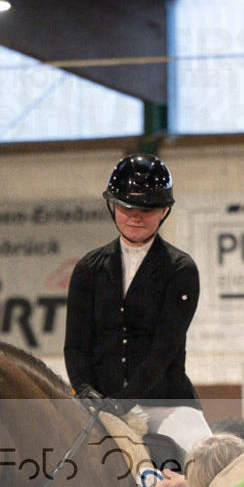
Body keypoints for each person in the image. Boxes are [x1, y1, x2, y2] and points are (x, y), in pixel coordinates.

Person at [64, 152, 211, 460]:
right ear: (113, 206)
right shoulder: (88, 269)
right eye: (126, 206)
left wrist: (123, 402)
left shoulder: (180, 270)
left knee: (205, 457)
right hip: (100, 404)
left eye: (147, 208)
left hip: (165, 404)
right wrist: (86, 391)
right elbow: (76, 346)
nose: (135, 216)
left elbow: (164, 350)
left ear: (163, 211)